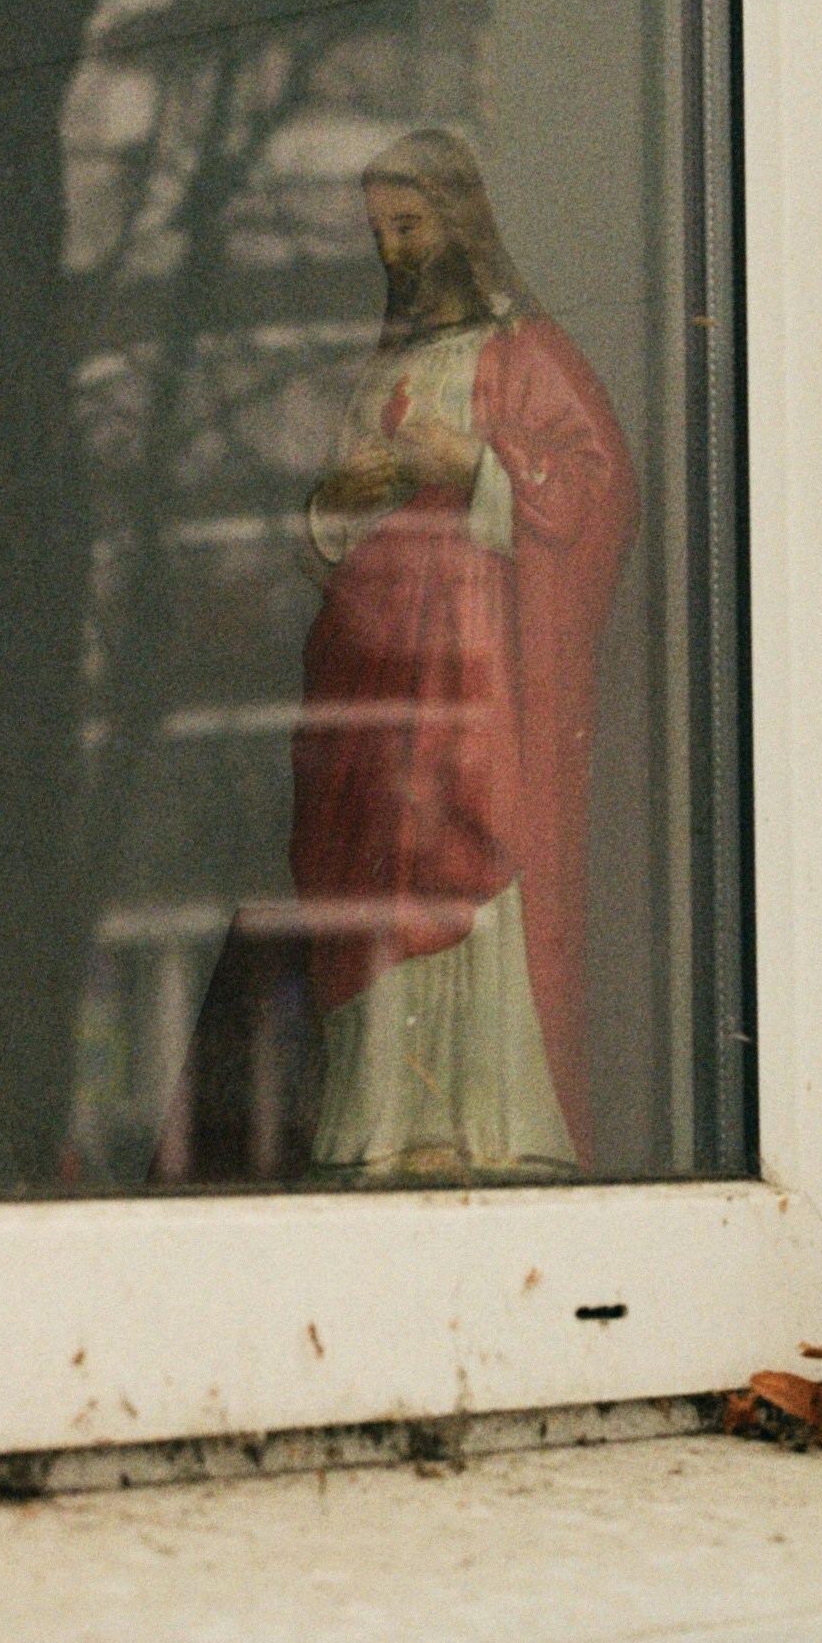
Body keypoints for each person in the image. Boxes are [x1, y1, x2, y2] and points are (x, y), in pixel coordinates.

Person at [292, 130, 637, 1178]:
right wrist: (339, 503)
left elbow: (598, 490)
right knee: (381, 874)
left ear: (462, 223)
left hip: (482, 663)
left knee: (477, 849)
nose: (395, 249)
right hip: (382, 666)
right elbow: (327, 525)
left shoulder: (528, 354)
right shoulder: (382, 367)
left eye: (411, 224)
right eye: (380, 232)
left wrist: (480, 465)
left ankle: (497, 1124)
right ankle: (384, 1124)